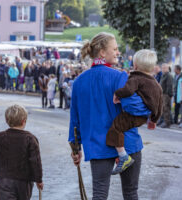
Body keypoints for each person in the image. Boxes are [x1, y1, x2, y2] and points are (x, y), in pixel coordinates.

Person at [69, 32, 147, 200]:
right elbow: (134, 108)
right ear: (102, 53)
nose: (118, 52)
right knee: (131, 193)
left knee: (99, 194)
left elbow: (75, 120)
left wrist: (75, 148)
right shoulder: (119, 76)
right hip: (127, 143)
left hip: (97, 145)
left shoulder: (79, 82)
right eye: (115, 49)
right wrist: (150, 108)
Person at [106, 49, 163, 174]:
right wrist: (153, 120)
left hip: (132, 115)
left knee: (115, 128)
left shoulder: (136, 78)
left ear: (135, 65)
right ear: (152, 67)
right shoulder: (156, 84)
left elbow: (128, 91)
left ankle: (123, 156)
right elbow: (160, 104)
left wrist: (117, 93)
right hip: (143, 117)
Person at [0, 105, 43, 200]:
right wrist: (39, 180)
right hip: (24, 183)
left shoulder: (0, 137)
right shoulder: (30, 139)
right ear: (24, 121)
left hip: (6, 181)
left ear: (7, 120)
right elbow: (35, 161)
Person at [159, 63, 173, 128]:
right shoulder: (163, 75)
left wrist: (168, 94)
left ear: (166, 68)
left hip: (166, 94)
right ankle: (164, 121)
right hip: (163, 94)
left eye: (163, 68)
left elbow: (169, 85)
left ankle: (167, 122)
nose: (162, 69)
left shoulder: (168, 75)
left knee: (166, 108)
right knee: (163, 108)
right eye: (162, 68)